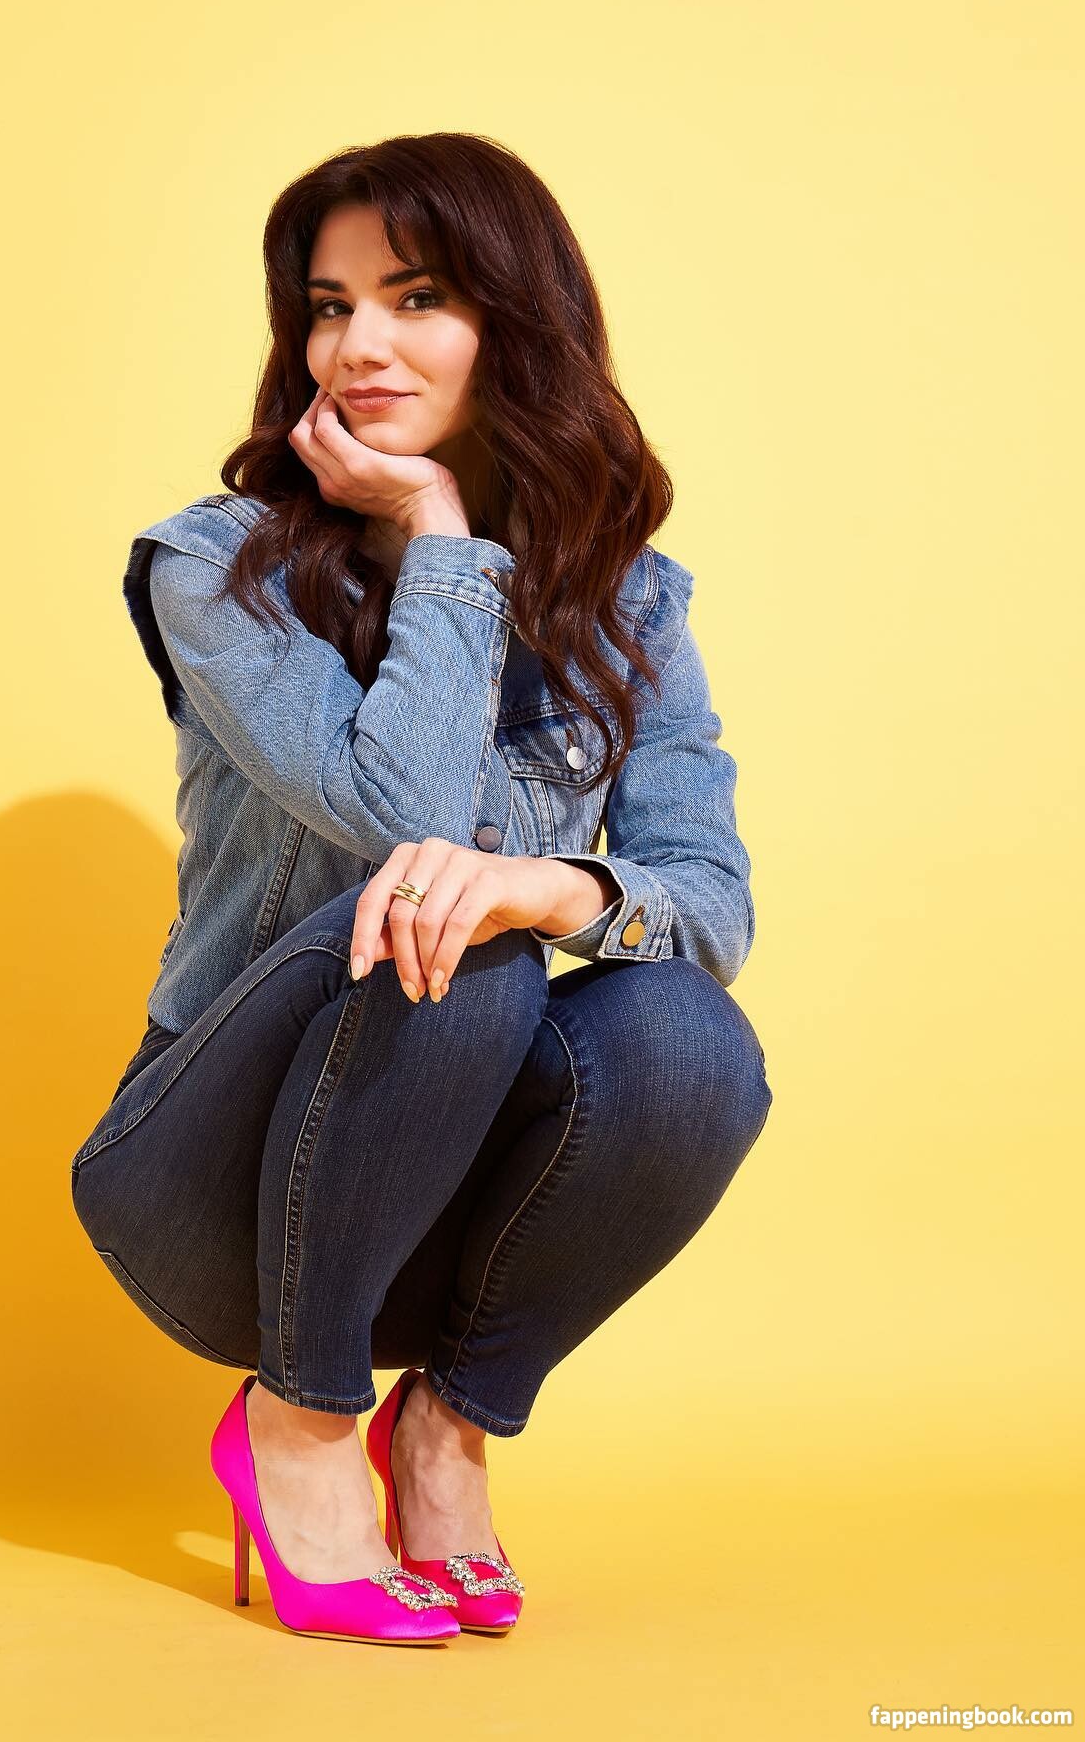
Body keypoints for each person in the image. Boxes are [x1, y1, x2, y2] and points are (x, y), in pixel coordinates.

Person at [70, 133, 774, 1646]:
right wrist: (443, 538)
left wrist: (550, 884)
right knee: (449, 927)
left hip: (443, 1201)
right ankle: (300, 1423)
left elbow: (711, 904)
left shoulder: (631, 599)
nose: (360, 346)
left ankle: (444, 1432)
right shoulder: (222, 567)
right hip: (210, 1191)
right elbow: (404, 819)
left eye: (417, 297)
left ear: (518, 323)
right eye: (329, 308)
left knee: (687, 1036)